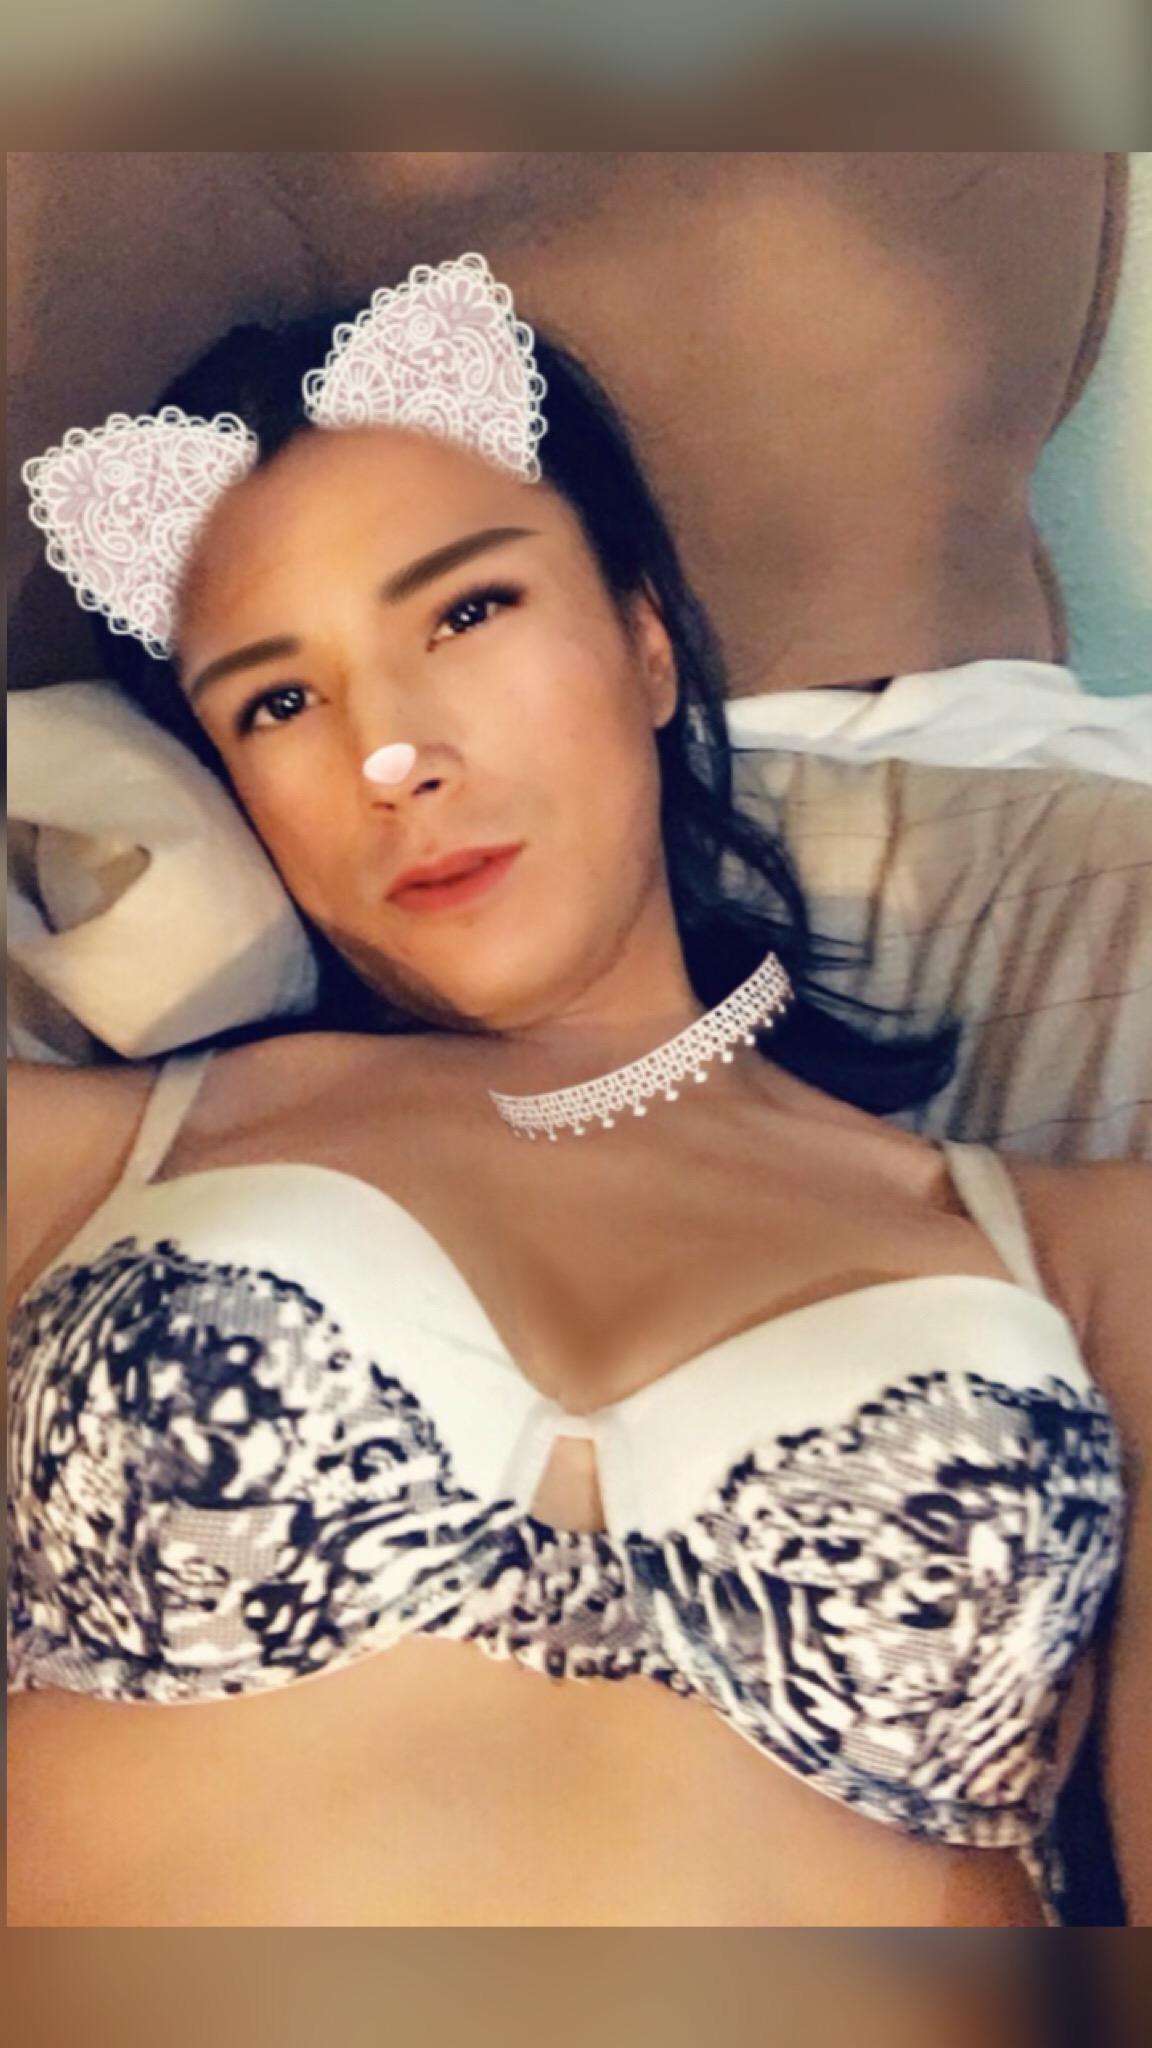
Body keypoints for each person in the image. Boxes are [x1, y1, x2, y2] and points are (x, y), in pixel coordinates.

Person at [7, 256, 1150, 1931]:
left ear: (648, 643)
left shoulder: (1085, 1260)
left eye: (466, 613)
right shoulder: (100, 1158)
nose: (394, 755)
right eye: (279, 700)